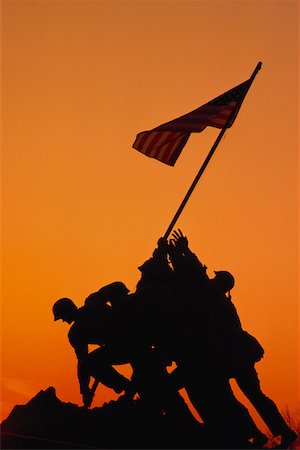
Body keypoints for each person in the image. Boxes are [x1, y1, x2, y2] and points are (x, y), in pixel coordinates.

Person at [169, 229, 297, 449]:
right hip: (237, 354)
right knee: (251, 395)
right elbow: (197, 278)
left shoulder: (213, 296)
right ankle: (276, 432)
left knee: (226, 395)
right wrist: (179, 255)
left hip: (229, 356)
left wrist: (180, 253)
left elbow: (196, 277)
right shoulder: (220, 299)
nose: (211, 277)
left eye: (215, 276)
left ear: (220, 282)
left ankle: (256, 432)